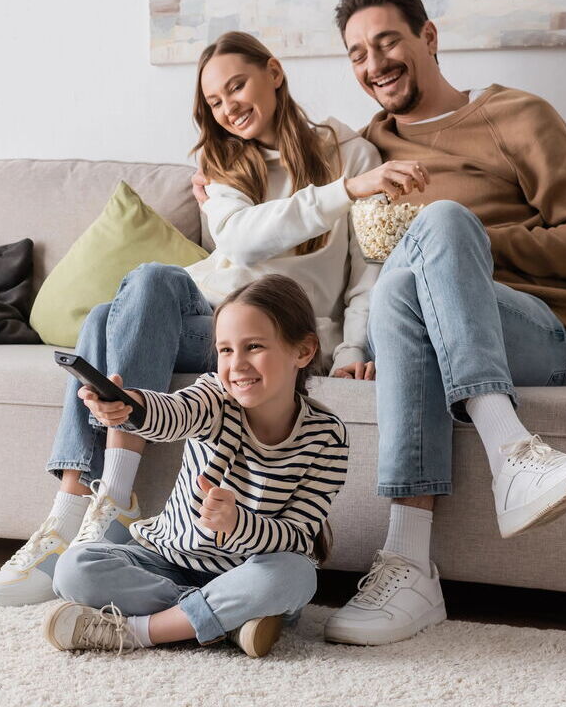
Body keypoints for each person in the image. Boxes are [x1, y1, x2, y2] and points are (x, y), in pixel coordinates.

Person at [191, 0, 566, 646]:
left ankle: (512, 454)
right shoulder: (369, 148)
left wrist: (469, 243)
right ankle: (409, 562)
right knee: (399, 289)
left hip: (528, 329)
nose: (374, 64)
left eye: (387, 42)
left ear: (428, 37)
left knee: (443, 221)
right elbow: (311, 192)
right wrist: (217, 170)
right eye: (357, 54)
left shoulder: (517, 115)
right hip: (418, 326)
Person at [0, 31, 423, 607]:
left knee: (109, 317)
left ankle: (89, 510)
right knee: (132, 297)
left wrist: (354, 347)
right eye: (215, 101)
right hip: (207, 322)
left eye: (237, 86)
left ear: (274, 73)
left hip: (274, 331)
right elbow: (242, 239)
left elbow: (368, 269)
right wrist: (347, 192)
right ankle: (86, 506)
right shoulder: (223, 163)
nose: (229, 107)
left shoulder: (352, 155)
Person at [43, 275, 346, 658]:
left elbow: (297, 537)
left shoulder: (327, 436)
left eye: (253, 347)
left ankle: (141, 631)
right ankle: (226, 622)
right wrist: (130, 407)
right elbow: (171, 413)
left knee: (297, 575)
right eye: (225, 350)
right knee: (73, 567)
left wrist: (238, 525)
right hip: (167, 560)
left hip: (248, 571)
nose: (237, 365)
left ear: (302, 351)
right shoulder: (214, 396)